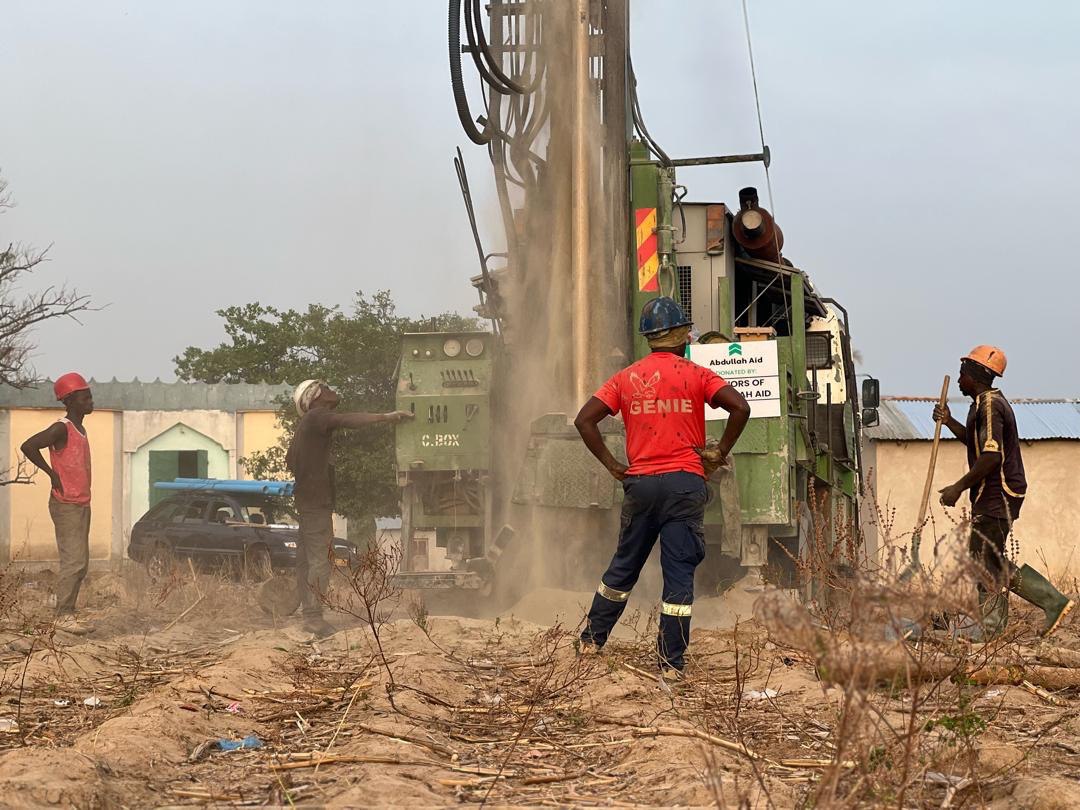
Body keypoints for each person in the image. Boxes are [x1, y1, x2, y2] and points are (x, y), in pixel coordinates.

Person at [574, 297, 751, 678]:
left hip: (641, 485)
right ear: (684, 335)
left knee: (623, 566)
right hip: (685, 485)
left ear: (648, 338)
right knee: (678, 574)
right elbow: (740, 407)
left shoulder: (626, 378)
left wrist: (614, 466)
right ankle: (671, 663)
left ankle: (591, 640)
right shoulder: (697, 375)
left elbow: (584, 420)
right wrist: (719, 451)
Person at [936, 345, 1074, 638]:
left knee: (987, 560)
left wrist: (958, 488)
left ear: (975, 376)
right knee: (984, 559)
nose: (959, 380)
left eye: (963, 374)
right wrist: (948, 422)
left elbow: (991, 456)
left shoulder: (990, 406)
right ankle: (993, 625)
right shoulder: (981, 405)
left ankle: (1050, 602)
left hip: (998, 492)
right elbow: (976, 444)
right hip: (993, 493)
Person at [285, 379, 413, 637]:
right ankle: (312, 618)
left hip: (307, 502)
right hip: (315, 504)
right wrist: (387, 417)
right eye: (326, 388)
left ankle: (307, 612)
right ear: (316, 396)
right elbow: (348, 420)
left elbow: (290, 460)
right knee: (320, 561)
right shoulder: (317, 417)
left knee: (306, 561)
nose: (332, 391)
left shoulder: (307, 425)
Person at [20, 373, 95, 634]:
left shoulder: (80, 429)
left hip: (81, 502)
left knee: (81, 562)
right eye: (85, 397)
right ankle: (63, 616)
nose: (90, 401)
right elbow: (28, 446)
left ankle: (67, 612)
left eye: (90, 396)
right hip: (66, 504)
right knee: (73, 561)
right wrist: (51, 474)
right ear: (71, 401)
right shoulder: (61, 428)